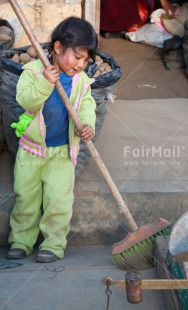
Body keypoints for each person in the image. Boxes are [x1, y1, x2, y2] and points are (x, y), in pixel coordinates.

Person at [6, 17, 98, 263]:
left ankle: (53, 244)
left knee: (59, 200)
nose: (81, 65)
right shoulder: (33, 72)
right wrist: (46, 83)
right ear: (57, 49)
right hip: (31, 150)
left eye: (86, 60)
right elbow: (27, 101)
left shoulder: (81, 82)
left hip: (62, 152)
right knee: (26, 196)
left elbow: (87, 106)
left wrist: (87, 125)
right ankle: (21, 240)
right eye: (77, 57)